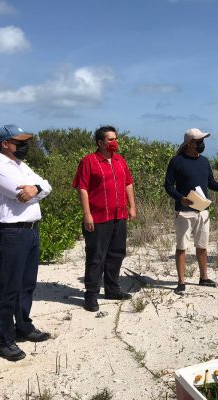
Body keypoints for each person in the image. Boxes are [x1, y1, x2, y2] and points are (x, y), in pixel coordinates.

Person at [0, 124, 52, 362]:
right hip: (11, 232)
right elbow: (19, 194)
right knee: (9, 287)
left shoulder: (20, 166)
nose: (24, 146)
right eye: (19, 141)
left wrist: (37, 188)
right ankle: (5, 339)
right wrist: (35, 189)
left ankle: (23, 325)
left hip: (31, 231)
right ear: (5, 143)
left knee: (27, 284)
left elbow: (46, 186)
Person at [72, 125, 137, 312]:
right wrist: (87, 214)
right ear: (99, 142)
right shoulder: (88, 161)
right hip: (98, 217)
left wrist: (132, 206)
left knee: (116, 253)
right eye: (110, 139)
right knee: (96, 257)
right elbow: (82, 187)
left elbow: (128, 183)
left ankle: (112, 289)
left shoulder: (119, 160)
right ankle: (91, 295)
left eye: (115, 138)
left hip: (119, 215)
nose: (114, 142)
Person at [164, 128, 218, 294]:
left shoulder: (205, 161)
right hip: (184, 211)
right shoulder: (176, 161)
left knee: (202, 246)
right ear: (188, 144)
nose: (202, 144)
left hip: (202, 211)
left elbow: (211, 183)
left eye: (202, 141)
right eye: (199, 141)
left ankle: (204, 278)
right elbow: (168, 185)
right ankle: (181, 282)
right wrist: (180, 198)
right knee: (182, 247)